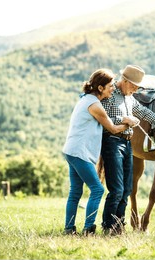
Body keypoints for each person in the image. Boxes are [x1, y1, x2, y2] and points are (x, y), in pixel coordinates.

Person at [100, 64, 155, 235]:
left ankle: (119, 224)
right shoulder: (109, 96)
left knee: (127, 188)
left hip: (126, 143)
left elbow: (144, 112)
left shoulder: (130, 97)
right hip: (112, 142)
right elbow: (103, 117)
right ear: (124, 81)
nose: (136, 89)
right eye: (134, 86)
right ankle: (108, 226)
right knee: (116, 188)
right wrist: (126, 119)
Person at [62, 69, 130, 236]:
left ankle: (69, 229)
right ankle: (88, 228)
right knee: (97, 189)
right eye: (110, 86)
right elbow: (113, 129)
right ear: (100, 88)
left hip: (72, 150)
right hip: (79, 151)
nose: (113, 88)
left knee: (76, 191)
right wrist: (129, 124)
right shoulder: (94, 105)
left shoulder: (86, 99)